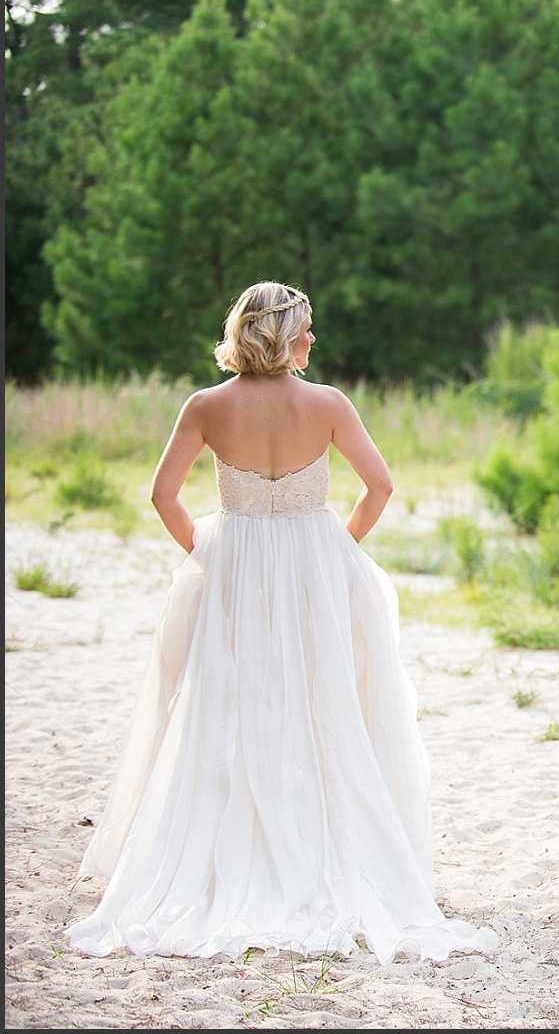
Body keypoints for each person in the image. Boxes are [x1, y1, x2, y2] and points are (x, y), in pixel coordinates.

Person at [68, 282, 497, 964]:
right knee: (324, 704)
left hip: (235, 564)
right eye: (306, 329)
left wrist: (208, 550)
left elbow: (162, 494)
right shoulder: (327, 404)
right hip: (314, 570)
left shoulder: (205, 406)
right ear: (283, 335)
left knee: (231, 705)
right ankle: (321, 844)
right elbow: (380, 486)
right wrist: (339, 550)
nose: (313, 340)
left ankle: (229, 848)